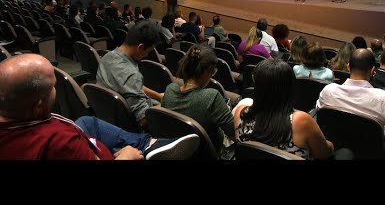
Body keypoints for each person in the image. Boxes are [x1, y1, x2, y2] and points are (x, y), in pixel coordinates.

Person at [0, 54, 200, 160]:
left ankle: (148, 143)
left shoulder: (15, 120)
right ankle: (147, 149)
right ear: (38, 106)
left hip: (79, 132)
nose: (56, 89)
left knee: (88, 122)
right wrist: (126, 158)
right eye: (53, 86)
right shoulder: (61, 143)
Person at [234, 59, 335, 160]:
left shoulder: (240, 113)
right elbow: (323, 155)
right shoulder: (301, 121)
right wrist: (330, 145)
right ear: (290, 87)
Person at [317, 49, 385, 143]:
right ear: (372, 71)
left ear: (348, 67)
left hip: (332, 149)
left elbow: (319, 115)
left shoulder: (328, 91)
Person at [162, 46, 234, 153]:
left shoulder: (169, 90)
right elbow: (234, 134)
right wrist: (227, 111)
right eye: (212, 71)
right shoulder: (212, 97)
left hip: (177, 152)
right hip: (207, 153)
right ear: (208, 70)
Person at [96, 21, 164, 130]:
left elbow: (132, 86)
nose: (147, 55)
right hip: (131, 128)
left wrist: (159, 96)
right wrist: (169, 105)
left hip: (108, 118)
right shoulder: (131, 74)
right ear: (140, 47)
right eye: (149, 51)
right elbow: (143, 120)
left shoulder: (107, 57)